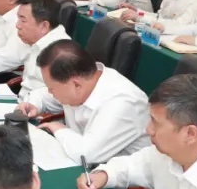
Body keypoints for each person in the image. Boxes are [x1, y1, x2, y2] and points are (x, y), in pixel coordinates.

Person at [21, 40, 150, 164]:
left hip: (113, 175)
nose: (49, 92)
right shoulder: (80, 82)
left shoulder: (121, 102)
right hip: (77, 162)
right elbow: (45, 95)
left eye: (52, 89)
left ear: (76, 85)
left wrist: (58, 129)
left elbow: (87, 155)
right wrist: (32, 104)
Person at [15, 0, 72, 113]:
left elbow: (61, 97)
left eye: (23, 20)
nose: (17, 25)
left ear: (44, 26)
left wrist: (31, 103)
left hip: (37, 114)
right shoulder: (35, 40)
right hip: (21, 102)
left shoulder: (61, 53)